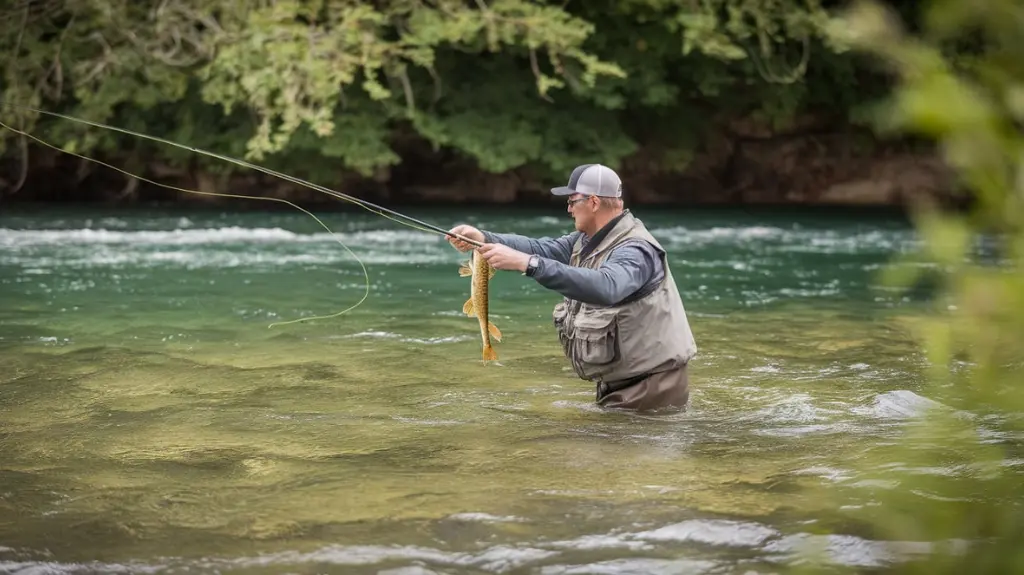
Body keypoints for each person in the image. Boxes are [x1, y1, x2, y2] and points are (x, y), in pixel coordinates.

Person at [447, 163, 697, 411]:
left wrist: (528, 264)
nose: (568, 208)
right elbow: (542, 248)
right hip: (627, 389)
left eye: (572, 201)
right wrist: (483, 238)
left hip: (650, 392)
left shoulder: (635, 249)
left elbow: (607, 286)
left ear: (594, 202)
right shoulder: (586, 241)